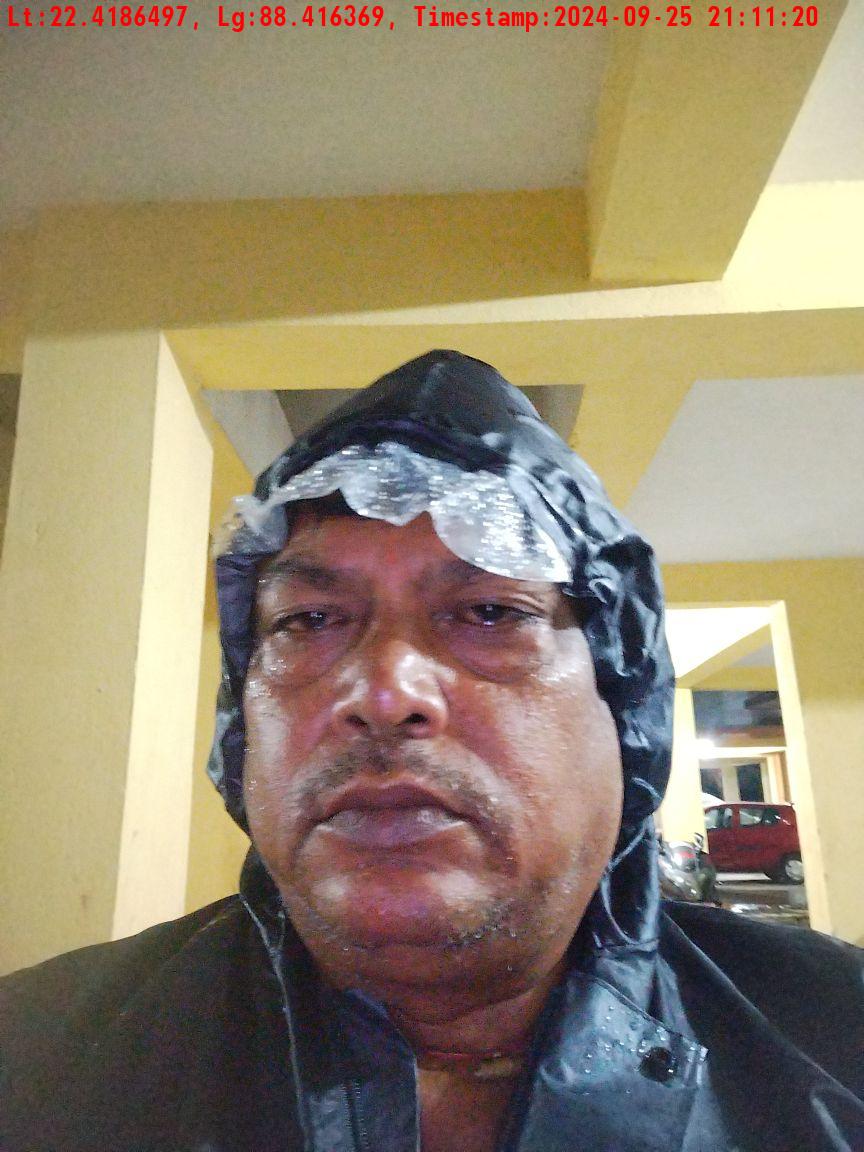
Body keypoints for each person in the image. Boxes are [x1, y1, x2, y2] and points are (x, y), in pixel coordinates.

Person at [1, 350, 862, 1152]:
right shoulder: (36, 1063)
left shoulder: (837, 1048)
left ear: (626, 707)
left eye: (490, 613)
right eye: (309, 620)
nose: (383, 693)